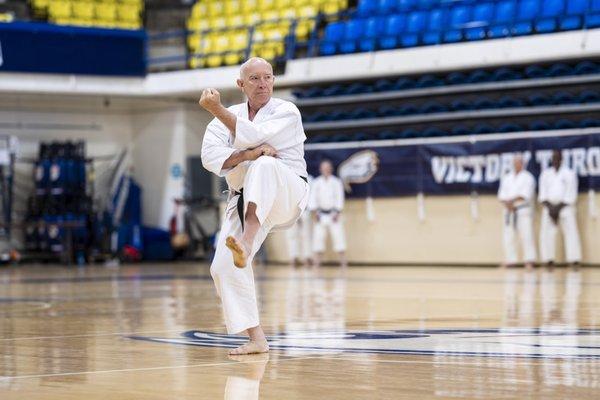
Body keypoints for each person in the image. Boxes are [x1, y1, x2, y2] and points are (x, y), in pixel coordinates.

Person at [200, 57, 309, 355]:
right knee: (223, 266)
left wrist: (216, 109)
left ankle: (247, 242)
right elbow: (210, 157)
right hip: (244, 197)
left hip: (287, 190)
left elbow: (259, 138)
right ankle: (256, 338)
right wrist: (248, 154)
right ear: (241, 84)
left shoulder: (287, 110)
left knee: (264, 164)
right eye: (255, 79)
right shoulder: (227, 117)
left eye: (268, 78)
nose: (262, 84)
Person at [538, 150, 581, 269]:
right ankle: (548, 260)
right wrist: (551, 208)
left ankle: (574, 260)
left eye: (557, 158)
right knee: (546, 234)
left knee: (571, 232)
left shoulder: (569, 173)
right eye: (553, 158)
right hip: (549, 207)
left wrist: (557, 209)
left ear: (562, 159)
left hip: (565, 207)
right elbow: (542, 194)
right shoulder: (545, 174)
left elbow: (571, 194)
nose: (555, 160)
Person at [497, 154, 537, 269]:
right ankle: (510, 260)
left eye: (518, 162)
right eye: (515, 162)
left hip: (522, 210)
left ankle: (529, 260)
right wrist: (507, 204)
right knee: (508, 236)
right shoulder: (507, 177)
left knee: (526, 235)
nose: (516, 164)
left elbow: (525, 195)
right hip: (509, 211)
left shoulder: (528, 178)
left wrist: (512, 201)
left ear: (523, 163)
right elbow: (501, 195)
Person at [310, 159, 347, 268]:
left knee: (339, 237)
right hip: (320, 214)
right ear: (320, 169)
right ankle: (317, 262)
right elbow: (312, 198)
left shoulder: (336, 182)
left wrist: (337, 211)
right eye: (323, 168)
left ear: (331, 169)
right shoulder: (316, 182)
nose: (326, 169)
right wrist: (315, 211)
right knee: (318, 238)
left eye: (327, 167)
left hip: (333, 214)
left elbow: (339, 197)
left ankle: (343, 262)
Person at [285, 175, 313, 267]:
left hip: (305, 210)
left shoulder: (310, 179)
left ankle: (307, 257)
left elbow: (311, 196)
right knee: (292, 235)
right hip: (292, 211)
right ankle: (294, 257)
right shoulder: (289, 177)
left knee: (306, 234)